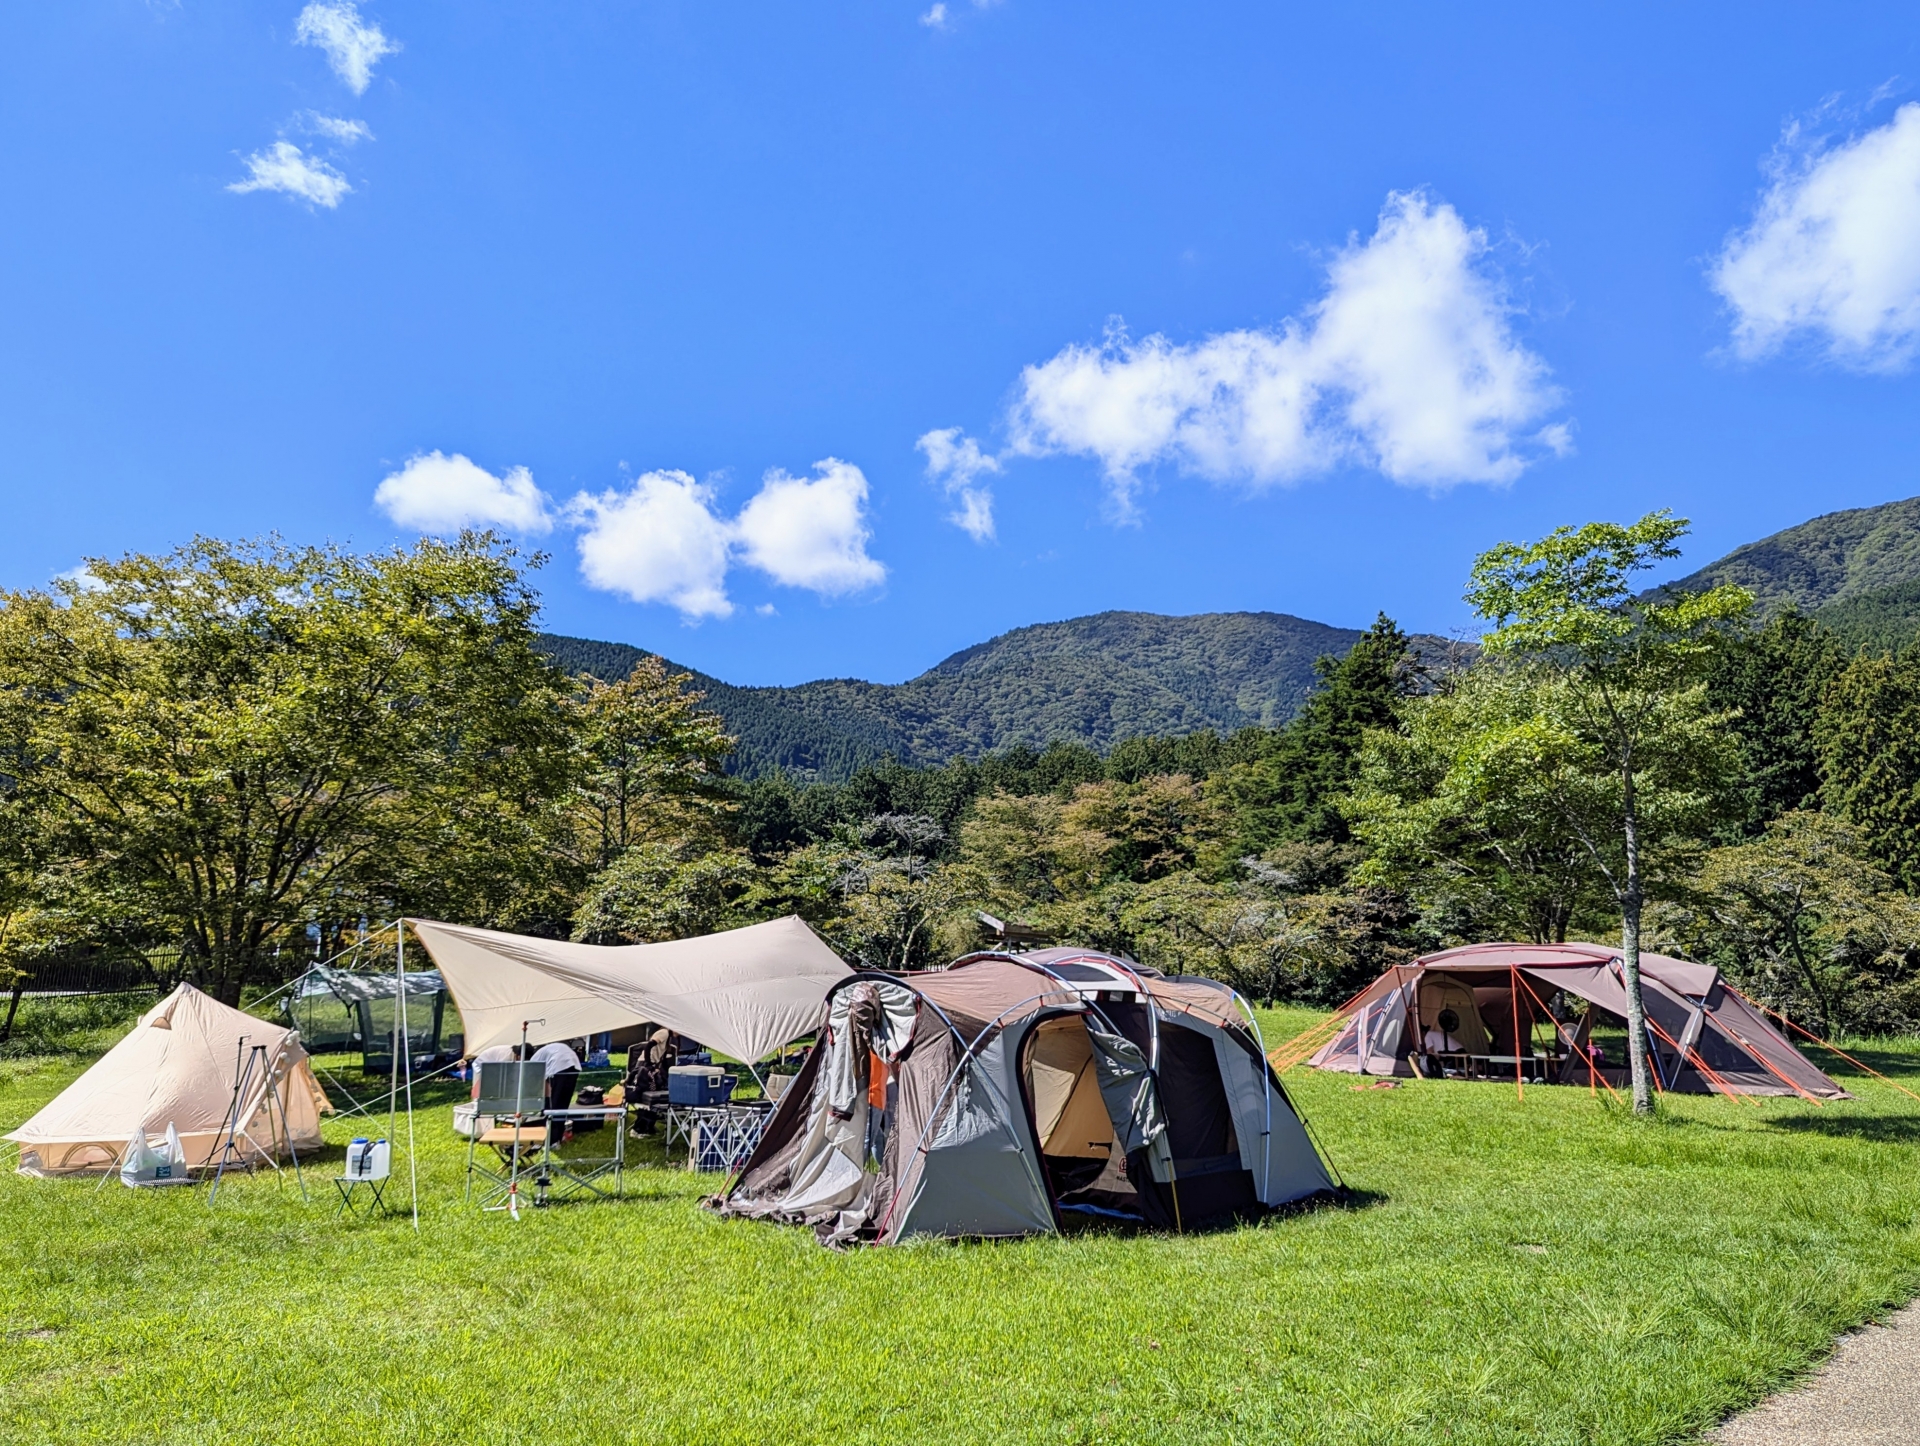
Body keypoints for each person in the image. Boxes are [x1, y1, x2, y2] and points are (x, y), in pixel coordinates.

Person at [532, 1038, 584, 1142]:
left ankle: (552, 1140)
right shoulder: (543, 1052)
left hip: (559, 1065)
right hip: (573, 1064)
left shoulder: (533, 1060)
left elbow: (540, 1083)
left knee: (554, 1106)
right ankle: (558, 1137)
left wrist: (545, 1102)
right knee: (563, 1104)